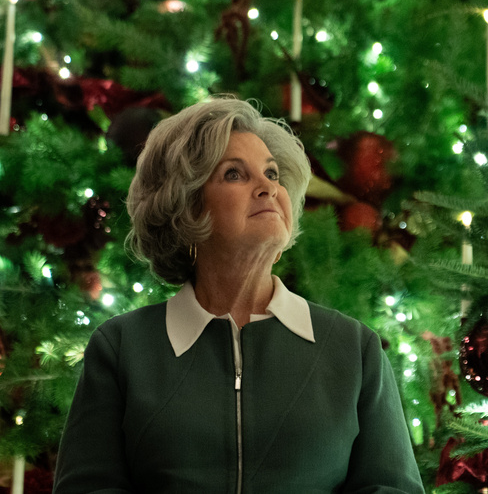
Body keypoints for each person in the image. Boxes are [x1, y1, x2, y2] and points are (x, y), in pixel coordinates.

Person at [53, 97, 425, 494]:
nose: (267, 186)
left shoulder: (354, 349)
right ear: (189, 208)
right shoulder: (121, 349)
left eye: (272, 173)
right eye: (234, 174)